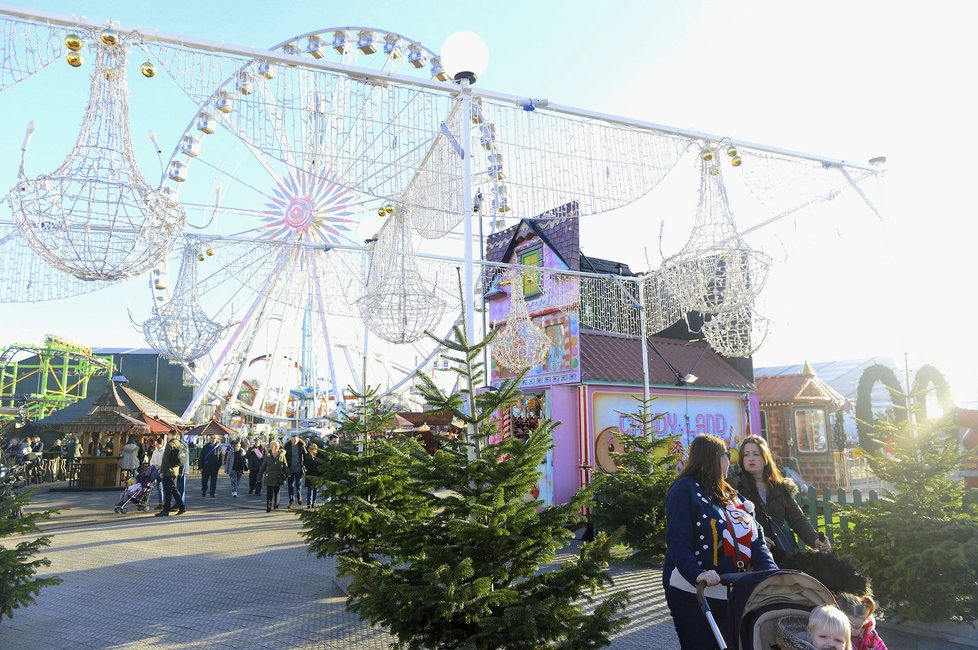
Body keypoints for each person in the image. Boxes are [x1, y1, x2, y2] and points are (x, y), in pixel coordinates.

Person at [663, 434, 777, 649]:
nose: (730, 461)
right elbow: (678, 540)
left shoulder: (729, 494)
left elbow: (755, 537)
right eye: (727, 454)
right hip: (693, 591)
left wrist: (771, 573)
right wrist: (697, 573)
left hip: (731, 590)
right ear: (714, 457)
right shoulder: (684, 489)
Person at [733, 435, 830, 559]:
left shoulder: (780, 487)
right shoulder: (735, 488)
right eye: (746, 454)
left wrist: (815, 540)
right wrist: (754, 540)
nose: (750, 459)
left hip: (785, 551)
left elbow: (797, 519)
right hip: (753, 556)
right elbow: (732, 524)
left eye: (755, 454)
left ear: (765, 458)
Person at [156, 432, 187, 516]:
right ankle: (181, 506)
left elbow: (165, 459)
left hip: (168, 471)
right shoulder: (180, 444)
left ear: (171, 435)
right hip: (175, 470)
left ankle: (166, 510)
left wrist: (162, 471)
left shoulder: (170, 444)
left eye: (168, 435)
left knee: (168, 491)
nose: (167, 436)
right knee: (173, 489)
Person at [258, 440, 287, 513]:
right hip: (269, 476)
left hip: (278, 476)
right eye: (273, 446)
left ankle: (276, 505)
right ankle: (268, 507)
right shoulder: (267, 456)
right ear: (271, 447)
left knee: (277, 492)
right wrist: (259, 477)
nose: (275, 447)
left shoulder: (281, 455)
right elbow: (262, 467)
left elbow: (285, 465)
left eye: (276, 446)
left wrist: (288, 474)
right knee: (269, 493)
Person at [282, 434, 306, 509]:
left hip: (299, 469)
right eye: (292, 440)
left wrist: (305, 466)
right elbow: (283, 457)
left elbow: (306, 456)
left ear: (298, 440)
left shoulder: (302, 447)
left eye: (295, 440)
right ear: (290, 440)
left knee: (298, 485)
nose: (293, 441)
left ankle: (299, 497)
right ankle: (291, 502)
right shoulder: (287, 447)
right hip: (290, 469)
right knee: (290, 486)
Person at [198, 434, 224, 498]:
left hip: (214, 467)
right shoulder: (205, 447)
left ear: (217, 439)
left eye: (214, 438)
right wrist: (200, 467)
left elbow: (221, 458)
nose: (213, 439)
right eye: (212, 438)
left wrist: (218, 466)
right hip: (206, 467)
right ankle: (204, 491)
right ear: (210, 438)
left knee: (213, 481)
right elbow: (201, 457)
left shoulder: (219, 447)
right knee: (204, 480)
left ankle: (212, 493)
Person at [149, 436, 166, 509]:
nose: (156, 446)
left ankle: (165, 503)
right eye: (155, 444)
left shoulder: (164, 451)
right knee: (159, 487)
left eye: (157, 444)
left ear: (161, 444)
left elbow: (166, 461)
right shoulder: (155, 451)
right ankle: (160, 503)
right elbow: (152, 461)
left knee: (165, 488)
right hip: (156, 471)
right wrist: (154, 466)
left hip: (163, 471)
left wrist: (160, 466)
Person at [303, 443, 320, 508]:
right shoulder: (307, 455)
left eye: (313, 449)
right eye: (310, 449)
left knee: (315, 489)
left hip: (316, 474)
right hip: (309, 474)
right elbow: (304, 464)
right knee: (309, 489)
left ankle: (313, 502)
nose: (312, 450)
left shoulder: (318, 456)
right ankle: (309, 503)